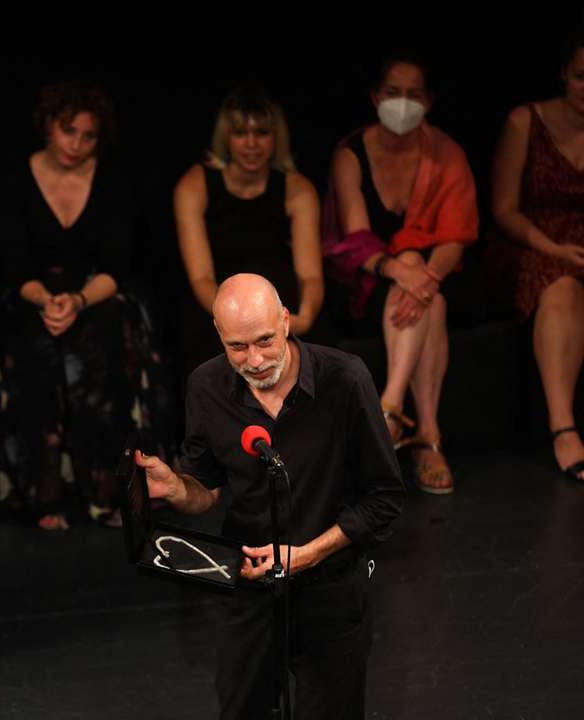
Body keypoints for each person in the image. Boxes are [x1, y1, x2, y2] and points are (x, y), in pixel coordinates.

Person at [135, 273, 405, 720]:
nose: (255, 360)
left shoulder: (345, 379)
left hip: (331, 587)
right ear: (219, 334)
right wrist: (176, 488)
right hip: (248, 589)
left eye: (264, 340)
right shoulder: (206, 386)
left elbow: (385, 498)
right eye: (237, 347)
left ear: (285, 320)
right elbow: (206, 492)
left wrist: (307, 554)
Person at [323, 55, 478, 494]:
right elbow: (356, 239)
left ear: (428, 101)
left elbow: (456, 235)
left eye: (414, 94)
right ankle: (426, 437)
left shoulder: (447, 154)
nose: (403, 103)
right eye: (393, 93)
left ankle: (388, 413)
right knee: (426, 299)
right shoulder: (351, 154)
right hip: (367, 273)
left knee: (432, 293)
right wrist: (401, 272)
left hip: (437, 272)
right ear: (375, 97)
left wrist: (423, 279)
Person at [0, 79, 135, 531]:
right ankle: (46, 494)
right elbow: (14, 266)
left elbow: (116, 267)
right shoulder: (17, 180)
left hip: (94, 293)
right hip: (33, 295)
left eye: (88, 135)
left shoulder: (112, 182)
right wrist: (47, 302)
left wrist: (76, 301)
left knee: (102, 348)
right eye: (67, 131)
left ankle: (107, 492)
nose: (76, 144)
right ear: (47, 127)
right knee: (37, 353)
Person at [174, 85, 327, 380]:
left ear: (276, 137)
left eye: (262, 133)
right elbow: (201, 277)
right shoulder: (195, 185)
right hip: (217, 303)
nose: (252, 144)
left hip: (280, 301)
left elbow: (310, 276)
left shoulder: (297, 188)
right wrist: (235, 320)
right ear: (226, 137)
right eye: (241, 133)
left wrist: (304, 319)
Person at [490, 26, 584, 481]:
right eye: (581, 76)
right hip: (530, 242)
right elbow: (503, 209)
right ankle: (563, 427)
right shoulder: (526, 120)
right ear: (564, 73)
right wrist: (557, 250)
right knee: (562, 286)